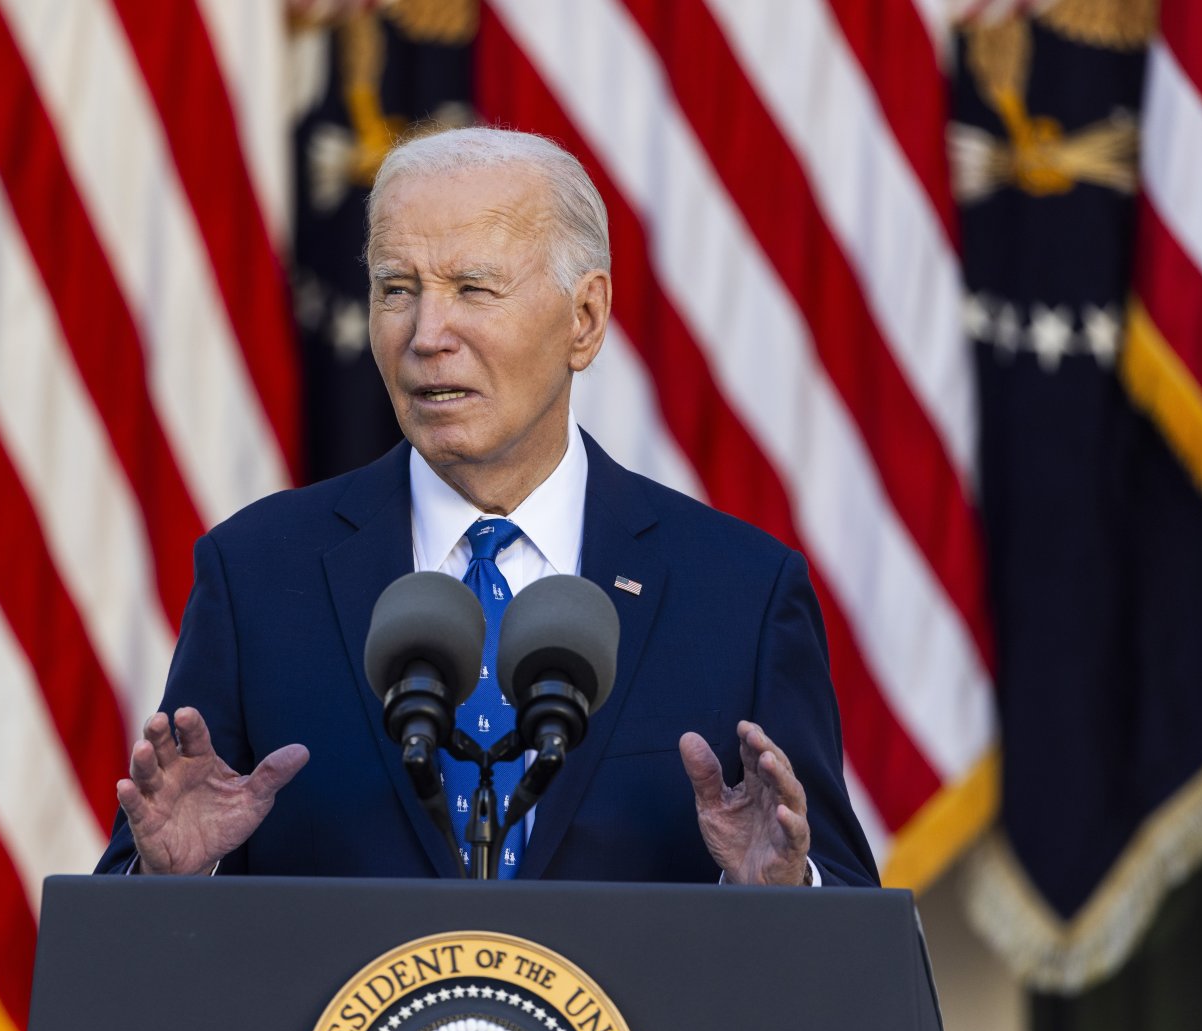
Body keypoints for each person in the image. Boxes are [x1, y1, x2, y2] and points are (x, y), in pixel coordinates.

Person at [95, 128, 879, 888]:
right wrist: (173, 876)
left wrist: (782, 895)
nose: (427, 334)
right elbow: (139, 924)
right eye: (396, 290)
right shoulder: (258, 574)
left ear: (585, 318)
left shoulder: (738, 593)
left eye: (474, 288)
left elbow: (845, 929)